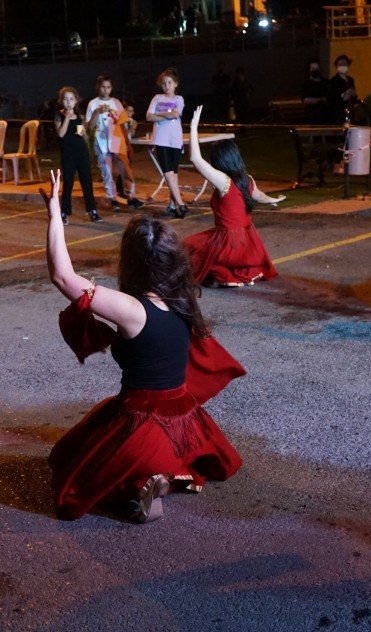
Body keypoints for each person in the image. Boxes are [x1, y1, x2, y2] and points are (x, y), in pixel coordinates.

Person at [42, 169, 245, 522]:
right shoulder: (182, 298)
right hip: (186, 422)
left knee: (70, 487)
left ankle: (142, 484)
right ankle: (161, 472)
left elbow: (63, 276)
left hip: (144, 425)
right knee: (66, 454)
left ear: (131, 262)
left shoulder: (134, 309)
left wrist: (55, 214)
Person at [184, 105, 283, 286]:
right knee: (200, 249)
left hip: (229, 244)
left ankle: (225, 275)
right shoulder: (247, 179)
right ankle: (230, 275)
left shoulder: (224, 182)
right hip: (249, 244)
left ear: (220, 162)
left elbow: (195, 159)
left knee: (189, 249)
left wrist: (193, 127)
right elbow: (258, 195)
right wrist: (271, 200)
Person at [86, 74, 143, 213]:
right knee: (107, 171)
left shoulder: (116, 103)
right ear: (98, 87)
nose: (106, 90)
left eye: (108, 87)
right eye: (103, 87)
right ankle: (113, 198)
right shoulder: (93, 104)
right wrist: (97, 113)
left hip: (117, 140)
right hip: (101, 141)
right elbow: (90, 126)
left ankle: (130, 196)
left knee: (125, 169)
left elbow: (123, 124)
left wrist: (128, 143)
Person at [54, 86, 102, 224]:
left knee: (87, 182)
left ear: (76, 101)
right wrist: (67, 118)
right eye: (65, 99)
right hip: (68, 154)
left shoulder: (79, 117)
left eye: (71, 99)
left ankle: (92, 210)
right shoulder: (59, 115)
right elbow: (61, 134)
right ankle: (64, 212)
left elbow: (84, 135)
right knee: (68, 183)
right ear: (61, 101)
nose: (68, 102)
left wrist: (86, 138)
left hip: (81, 153)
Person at [147, 68, 187, 218]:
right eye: (164, 83)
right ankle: (181, 204)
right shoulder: (157, 98)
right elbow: (149, 117)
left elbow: (176, 114)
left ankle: (173, 205)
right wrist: (167, 115)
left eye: (169, 82)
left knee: (174, 174)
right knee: (168, 173)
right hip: (160, 140)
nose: (166, 85)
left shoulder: (179, 99)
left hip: (175, 140)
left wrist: (159, 114)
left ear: (175, 84)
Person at [326, 54, 357, 124]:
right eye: (340, 64)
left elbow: (354, 96)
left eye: (344, 64)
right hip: (339, 114)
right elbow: (331, 98)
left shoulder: (350, 80)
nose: (342, 66)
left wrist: (353, 94)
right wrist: (343, 95)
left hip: (350, 111)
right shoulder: (333, 81)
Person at [302, 58, 329, 124]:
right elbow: (305, 100)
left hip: (325, 115)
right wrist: (320, 100)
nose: (315, 70)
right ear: (309, 70)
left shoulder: (326, 82)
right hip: (312, 116)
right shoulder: (306, 84)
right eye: (313, 68)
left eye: (317, 68)